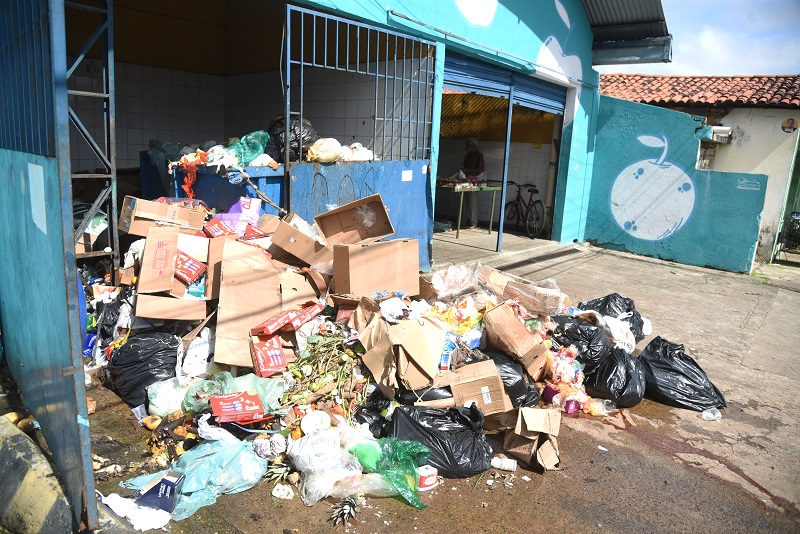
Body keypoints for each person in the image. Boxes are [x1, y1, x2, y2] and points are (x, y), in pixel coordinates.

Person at [455, 137, 486, 228]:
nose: (468, 147)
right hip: (466, 180)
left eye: (469, 145)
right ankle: (462, 221)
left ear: (473, 145)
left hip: (474, 181)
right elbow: (464, 166)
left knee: (472, 202)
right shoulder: (468, 155)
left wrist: (469, 170)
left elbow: (482, 169)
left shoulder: (479, 155)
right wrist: (463, 170)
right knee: (463, 202)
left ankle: (473, 222)